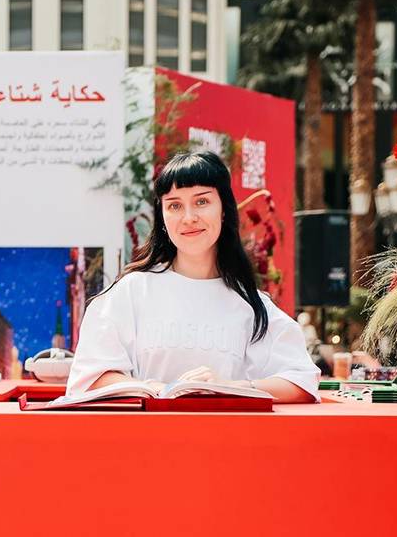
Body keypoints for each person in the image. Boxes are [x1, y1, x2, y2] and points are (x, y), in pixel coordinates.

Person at [67, 151, 318, 402]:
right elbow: (89, 378)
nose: (189, 218)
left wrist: (230, 387)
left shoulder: (251, 304)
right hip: (148, 427)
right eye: (174, 205)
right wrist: (154, 389)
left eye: (202, 202)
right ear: (162, 217)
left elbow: (302, 382)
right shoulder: (130, 292)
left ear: (223, 209)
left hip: (225, 429)